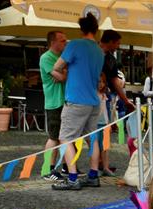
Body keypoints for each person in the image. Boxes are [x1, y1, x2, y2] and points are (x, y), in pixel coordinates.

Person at [50, 13, 104, 190]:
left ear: (81, 28)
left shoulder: (74, 45)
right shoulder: (98, 50)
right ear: (95, 29)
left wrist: (64, 76)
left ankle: (72, 178)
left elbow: (57, 67)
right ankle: (93, 175)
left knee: (65, 138)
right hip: (94, 100)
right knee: (92, 138)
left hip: (75, 100)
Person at [39, 30, 67, 180]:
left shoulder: (62, 58)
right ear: (53, 42)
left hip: (65, 101)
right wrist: (64, 73)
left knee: (67, 136)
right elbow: (61, 77)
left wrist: (63, 72)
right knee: (54, 136)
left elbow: (63, 76)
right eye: (62, 40)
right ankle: (47, 169)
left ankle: (67, 166)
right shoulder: (46, 58)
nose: (66, 43)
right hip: (54, 102)